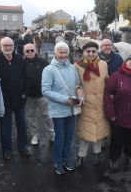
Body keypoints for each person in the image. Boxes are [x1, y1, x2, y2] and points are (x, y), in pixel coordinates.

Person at [42, 42, 82, 175]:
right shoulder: (49, 69)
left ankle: (66, 159)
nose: (64, 55)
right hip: (58, 109)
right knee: (60, 137)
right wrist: (65, 100)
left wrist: (80, 100)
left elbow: (78, 86)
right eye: (61, 52)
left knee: (69, 136)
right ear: (56, 53)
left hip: (72, 109)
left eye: (66, 52)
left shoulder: (72, 68)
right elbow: (46, 91)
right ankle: (58, 161)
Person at [104, 52, 131, 170]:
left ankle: (130, 155)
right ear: (125, 61)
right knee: (117, 138)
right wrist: (111, 113)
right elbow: (108, 94)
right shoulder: (116, 76)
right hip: (119, 114)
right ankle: (114, 158)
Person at [0, 37, 30, 160]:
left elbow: (26, 79)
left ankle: (22, 147)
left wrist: (24, 94)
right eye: (5, 45)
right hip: (4, 100)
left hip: (19, 98)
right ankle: (7, 150)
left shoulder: (20, 59)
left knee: (22, 125)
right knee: (6, 127)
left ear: (13, 46)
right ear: (1, 46)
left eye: (10, 45)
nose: (8, 47)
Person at [74, 41, 110, 168]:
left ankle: (97, 154)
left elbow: (107, 81)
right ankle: (81, 156)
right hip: (86, 103)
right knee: (85, 132)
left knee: (99, 131)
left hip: (100, 103)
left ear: (97, 52)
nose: (90, 54)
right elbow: (74, 82)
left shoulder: (103, 64)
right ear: (83, 53)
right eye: (88, 51)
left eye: (93, 51)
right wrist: (77, 88)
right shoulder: (77, 66)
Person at [24, 44, 54, 145]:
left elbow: (51, 75)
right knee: (30, 117)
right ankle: (35, 135)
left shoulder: (43, 61)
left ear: (35, 51)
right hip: (28, 96)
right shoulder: (22, 63)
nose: (30, 52)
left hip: (43, 95)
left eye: (32, 50)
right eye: (27, 51)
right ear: (24, 52)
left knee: (47, 116)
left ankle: (51, 135)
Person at [97, 38, 123, 149]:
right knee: (102, 116)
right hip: (100, 91)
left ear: (112, 46)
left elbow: (123, 72)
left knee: (115, 117)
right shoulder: (96, 58)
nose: (107, 47)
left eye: (109, 45)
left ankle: (115, 140)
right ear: (101, 47)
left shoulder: (118, 58)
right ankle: (102, 138)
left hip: (115, 92)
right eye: (105, 45)